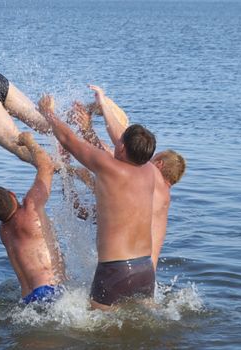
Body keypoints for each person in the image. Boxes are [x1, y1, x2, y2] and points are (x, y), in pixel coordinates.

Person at [38, 89, 157, 311]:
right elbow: (110, 149)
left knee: (100, 331)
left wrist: (48, 113)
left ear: (121, 147)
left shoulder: (109, 167)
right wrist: (90, 126)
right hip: (145, 270)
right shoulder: (149, 170)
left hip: (115, 270)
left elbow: (67, 139)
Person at [64, 97, 186, 271]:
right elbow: (85, 212)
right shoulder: (159, 197)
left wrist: (91, 122)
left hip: (123, 268)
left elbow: (115, 149)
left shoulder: (151, 178)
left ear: (159, 165)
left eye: (152, 158)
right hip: (145, 273)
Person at [0, 132, 65, 304]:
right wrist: (29, 141)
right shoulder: (30, 209)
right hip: (50, 291)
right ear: (12, 194)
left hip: (27, 298)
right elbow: (46, 166)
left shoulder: (4, 231)